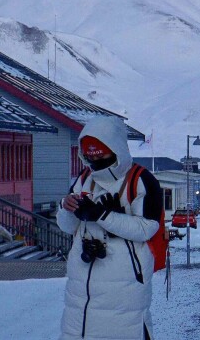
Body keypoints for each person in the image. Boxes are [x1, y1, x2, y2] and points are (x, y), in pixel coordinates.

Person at [58, 117, 163, 340]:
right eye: (89, 156)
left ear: (116, 149)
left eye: (100, 154)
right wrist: (67, 208)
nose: (94, 160)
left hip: (123, 282)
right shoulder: (85, 178)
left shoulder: (141, 180)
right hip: (81, 283)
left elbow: (147, 228)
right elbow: (68, 227)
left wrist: (102, 216)